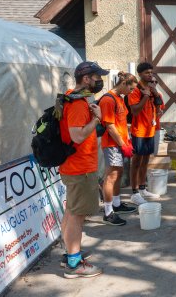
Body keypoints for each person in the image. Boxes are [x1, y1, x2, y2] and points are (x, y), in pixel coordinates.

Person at [60, 61, 109, 278]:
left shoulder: (73, 97)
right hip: (80, 168)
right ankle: (73, 263)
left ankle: (69, 254)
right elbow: (77, 135)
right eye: (98, 77)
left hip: (75, 166)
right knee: (77, 216)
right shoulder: (78, 103)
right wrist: (97, 118)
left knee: (71, 212)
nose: (100, 81)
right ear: (86, 78)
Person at [98, 71, 139, 226]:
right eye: (131, 88)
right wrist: (123, 144)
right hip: (112, 144)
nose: (132, 92)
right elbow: (109, 126)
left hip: (120, 142)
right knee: (111, 176)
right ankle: (108, 212)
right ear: (123, 84)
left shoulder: (119, 99)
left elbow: (121, 123)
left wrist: (127, 142)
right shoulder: (108, 100)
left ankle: (116, 203)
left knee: (119, 173)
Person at [128, 62, 164, 205]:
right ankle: (134, 192)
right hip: (139, 131)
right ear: (140, 74)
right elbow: (135, 111)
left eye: (151, 72)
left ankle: (143, 188)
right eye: (147, 73)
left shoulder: (151, 88)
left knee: (146, 160)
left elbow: (159, 103)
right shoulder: (136, 90)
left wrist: (154, 95)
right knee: (136, 162)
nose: (150, 75)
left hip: (150, 130)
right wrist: (145, 96)